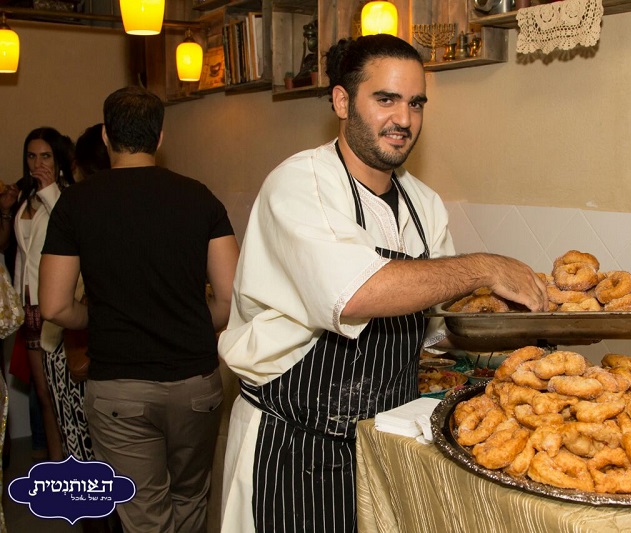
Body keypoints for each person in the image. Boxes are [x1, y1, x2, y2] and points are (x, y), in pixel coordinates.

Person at [217, 34, 548, 532]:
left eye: (416, 103)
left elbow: (438, 328)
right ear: (342, 101)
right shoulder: (302, 183)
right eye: (386, 99)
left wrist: (538, 330)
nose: (404, 119)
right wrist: (485, 267)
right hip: (294, 449)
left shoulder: (423, 204)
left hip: (382, 444)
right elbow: (356, 294)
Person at [38, 86, 240, 532]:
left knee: (144, 514)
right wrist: (187, 323)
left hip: (119, 387)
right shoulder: (199, 197)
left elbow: (53, 305)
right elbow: (230, 300)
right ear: (160, 137)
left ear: (106, 136)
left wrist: (93, 319)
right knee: (190, 499)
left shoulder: (76, 203)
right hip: (195, 383)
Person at [39, 123, 120, 533]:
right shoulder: (124, 209)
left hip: (79, 344)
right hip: (107, 351)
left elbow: (57, 303)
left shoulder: (77, 209)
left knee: (86, 451)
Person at [12, 127, 74, 461]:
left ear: (58, 159)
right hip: (28, 305)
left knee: (59, 393)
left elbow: (69, 226)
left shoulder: (64, 196)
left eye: (45, 156)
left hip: (53, 302)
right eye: (32, 156)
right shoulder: (28, 197)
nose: (38, 163)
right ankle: (55, 462)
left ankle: (67, 462)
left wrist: (50, 191)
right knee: (43, 392)